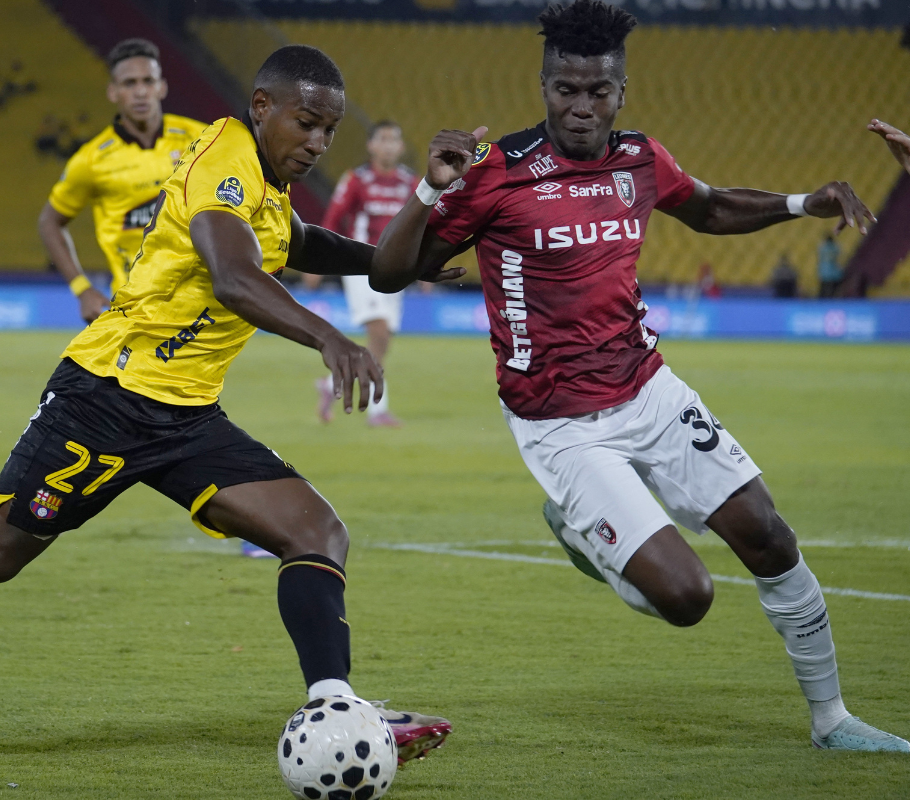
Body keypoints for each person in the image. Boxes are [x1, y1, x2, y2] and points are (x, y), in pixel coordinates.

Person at [0, 44, 454, 767]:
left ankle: (333, 704)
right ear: (263, 106)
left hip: (187, 417)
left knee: (316, 530)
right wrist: (330, 338)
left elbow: (330, 251)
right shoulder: (225, 156)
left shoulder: (269, 190)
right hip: (104, 399)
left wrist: (420, 215)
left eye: (330, 131)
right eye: (307, 122)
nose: (318, 142)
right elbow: (237, 277)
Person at [372, 0, 905, 752]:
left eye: (597, 91)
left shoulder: (641, 160)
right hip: (560, 424)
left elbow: (710, 208)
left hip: (649, 389)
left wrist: (797, 204)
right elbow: (394, 274)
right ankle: (583, 531)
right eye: (565, 89)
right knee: (689, 599)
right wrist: (430, 191)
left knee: (771, 538)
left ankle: (833, 721)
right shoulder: (497, 174)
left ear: (622, 91)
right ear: (543, 84)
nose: (580, 106)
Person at [38, 38, 205, 321]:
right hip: (135, 305)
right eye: (129, 84)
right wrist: (82, 289)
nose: (140, 92)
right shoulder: (91, 160)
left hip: (202, 301)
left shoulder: (201, 139)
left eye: (148, 81)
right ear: (113, 92)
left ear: (161, 87)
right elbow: (49, 221)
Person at [313, 121, 418, 427]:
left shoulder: (410, 182)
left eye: (394, 139)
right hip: (360, 265)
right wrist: (317, 262)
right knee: (379, 332)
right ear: (371, 145)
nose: (388, 145)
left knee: (381, 343)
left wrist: (423, 269)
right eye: (383, 139)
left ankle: (332, 382)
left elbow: (421, 227)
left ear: (400, 147)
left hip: (395, 269)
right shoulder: (356, 180)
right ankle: (378, 411)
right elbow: (333, 218)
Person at [816, 233, 842, 298]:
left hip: (824, 272)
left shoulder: (822, 247)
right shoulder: (835, 247)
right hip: (833, 273)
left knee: (824, 289)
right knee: (833, 290)